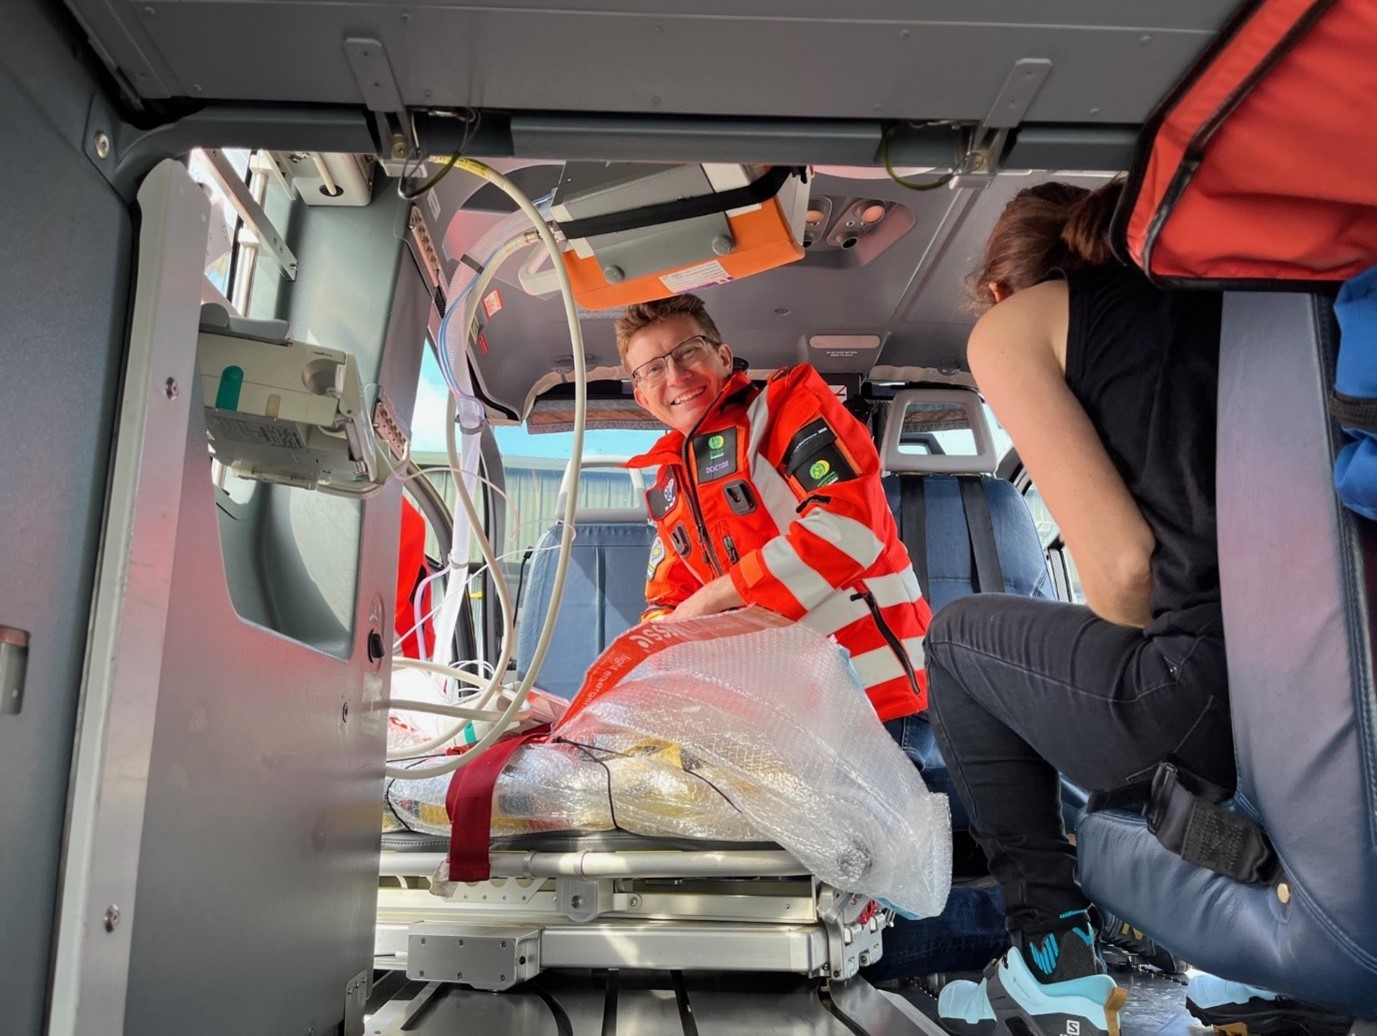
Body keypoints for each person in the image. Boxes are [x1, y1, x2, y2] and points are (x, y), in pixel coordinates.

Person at [614, 293, 1008, 977]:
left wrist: (715, 596)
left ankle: (1035, 925)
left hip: (882, 702)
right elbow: (667, 599)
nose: (672, 376)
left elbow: (848, 526)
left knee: (880, 919)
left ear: (723, 356)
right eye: (650, 368)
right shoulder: (672, 484)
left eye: (686, 354)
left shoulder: (788, 412)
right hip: (792, 722)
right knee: (831, 900)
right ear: (638, 391)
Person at [924, 181, 1233, 1036]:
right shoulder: (1228, 301)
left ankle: (1050, 954)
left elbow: (1125, 575)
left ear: (997, 288)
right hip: (1327, 678)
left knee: (953, 638)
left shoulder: (1014, 325)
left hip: (1200, 694)